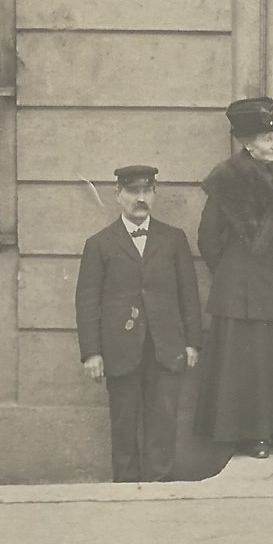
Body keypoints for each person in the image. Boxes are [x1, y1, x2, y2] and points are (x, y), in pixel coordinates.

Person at [196, 97, 273, 459]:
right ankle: (252, 434)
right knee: (251, 363)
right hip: (244, 286)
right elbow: (208, 238)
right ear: (246, 142)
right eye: (266, 138)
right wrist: (235, 271)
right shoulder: (228, 178)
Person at [74, 164, 203, 483]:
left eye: (147, 191)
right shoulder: (100, 244)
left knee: (163, 422)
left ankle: (159, 488)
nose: (140, 198)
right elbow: (87, 301)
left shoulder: (173, 239)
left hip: (166, 347)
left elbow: (188, 294)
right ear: (118, 195)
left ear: (155, 194)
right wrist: (92, 353)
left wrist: (192, 343)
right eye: (133, 192)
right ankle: (125, 491)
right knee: (123, 423)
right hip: (120, 351)